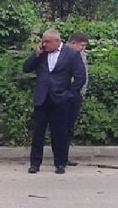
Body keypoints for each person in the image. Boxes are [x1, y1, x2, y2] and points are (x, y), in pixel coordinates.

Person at [23, 28, 86, 174]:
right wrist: (36, 54)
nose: (44, 44)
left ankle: (60, 163)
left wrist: (69, 94)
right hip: (42, 98)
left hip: (60, 99)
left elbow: (80, 77)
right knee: (38, 132)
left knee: (59, 133)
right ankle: (35, 163)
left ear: (57, 41)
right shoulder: (41, 53)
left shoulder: (71, 54)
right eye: (43, 41)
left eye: (47, 42)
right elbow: (26, 68)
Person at [65, 31, 89, 166]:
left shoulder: (82, 55)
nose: (83, 48)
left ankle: (65, 156)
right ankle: (61, 156)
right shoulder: (64, 54)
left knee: (69, 127)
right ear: (73, 43)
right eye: (82, 45)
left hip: (77, 95)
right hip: (66, 94)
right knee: (62, 127)